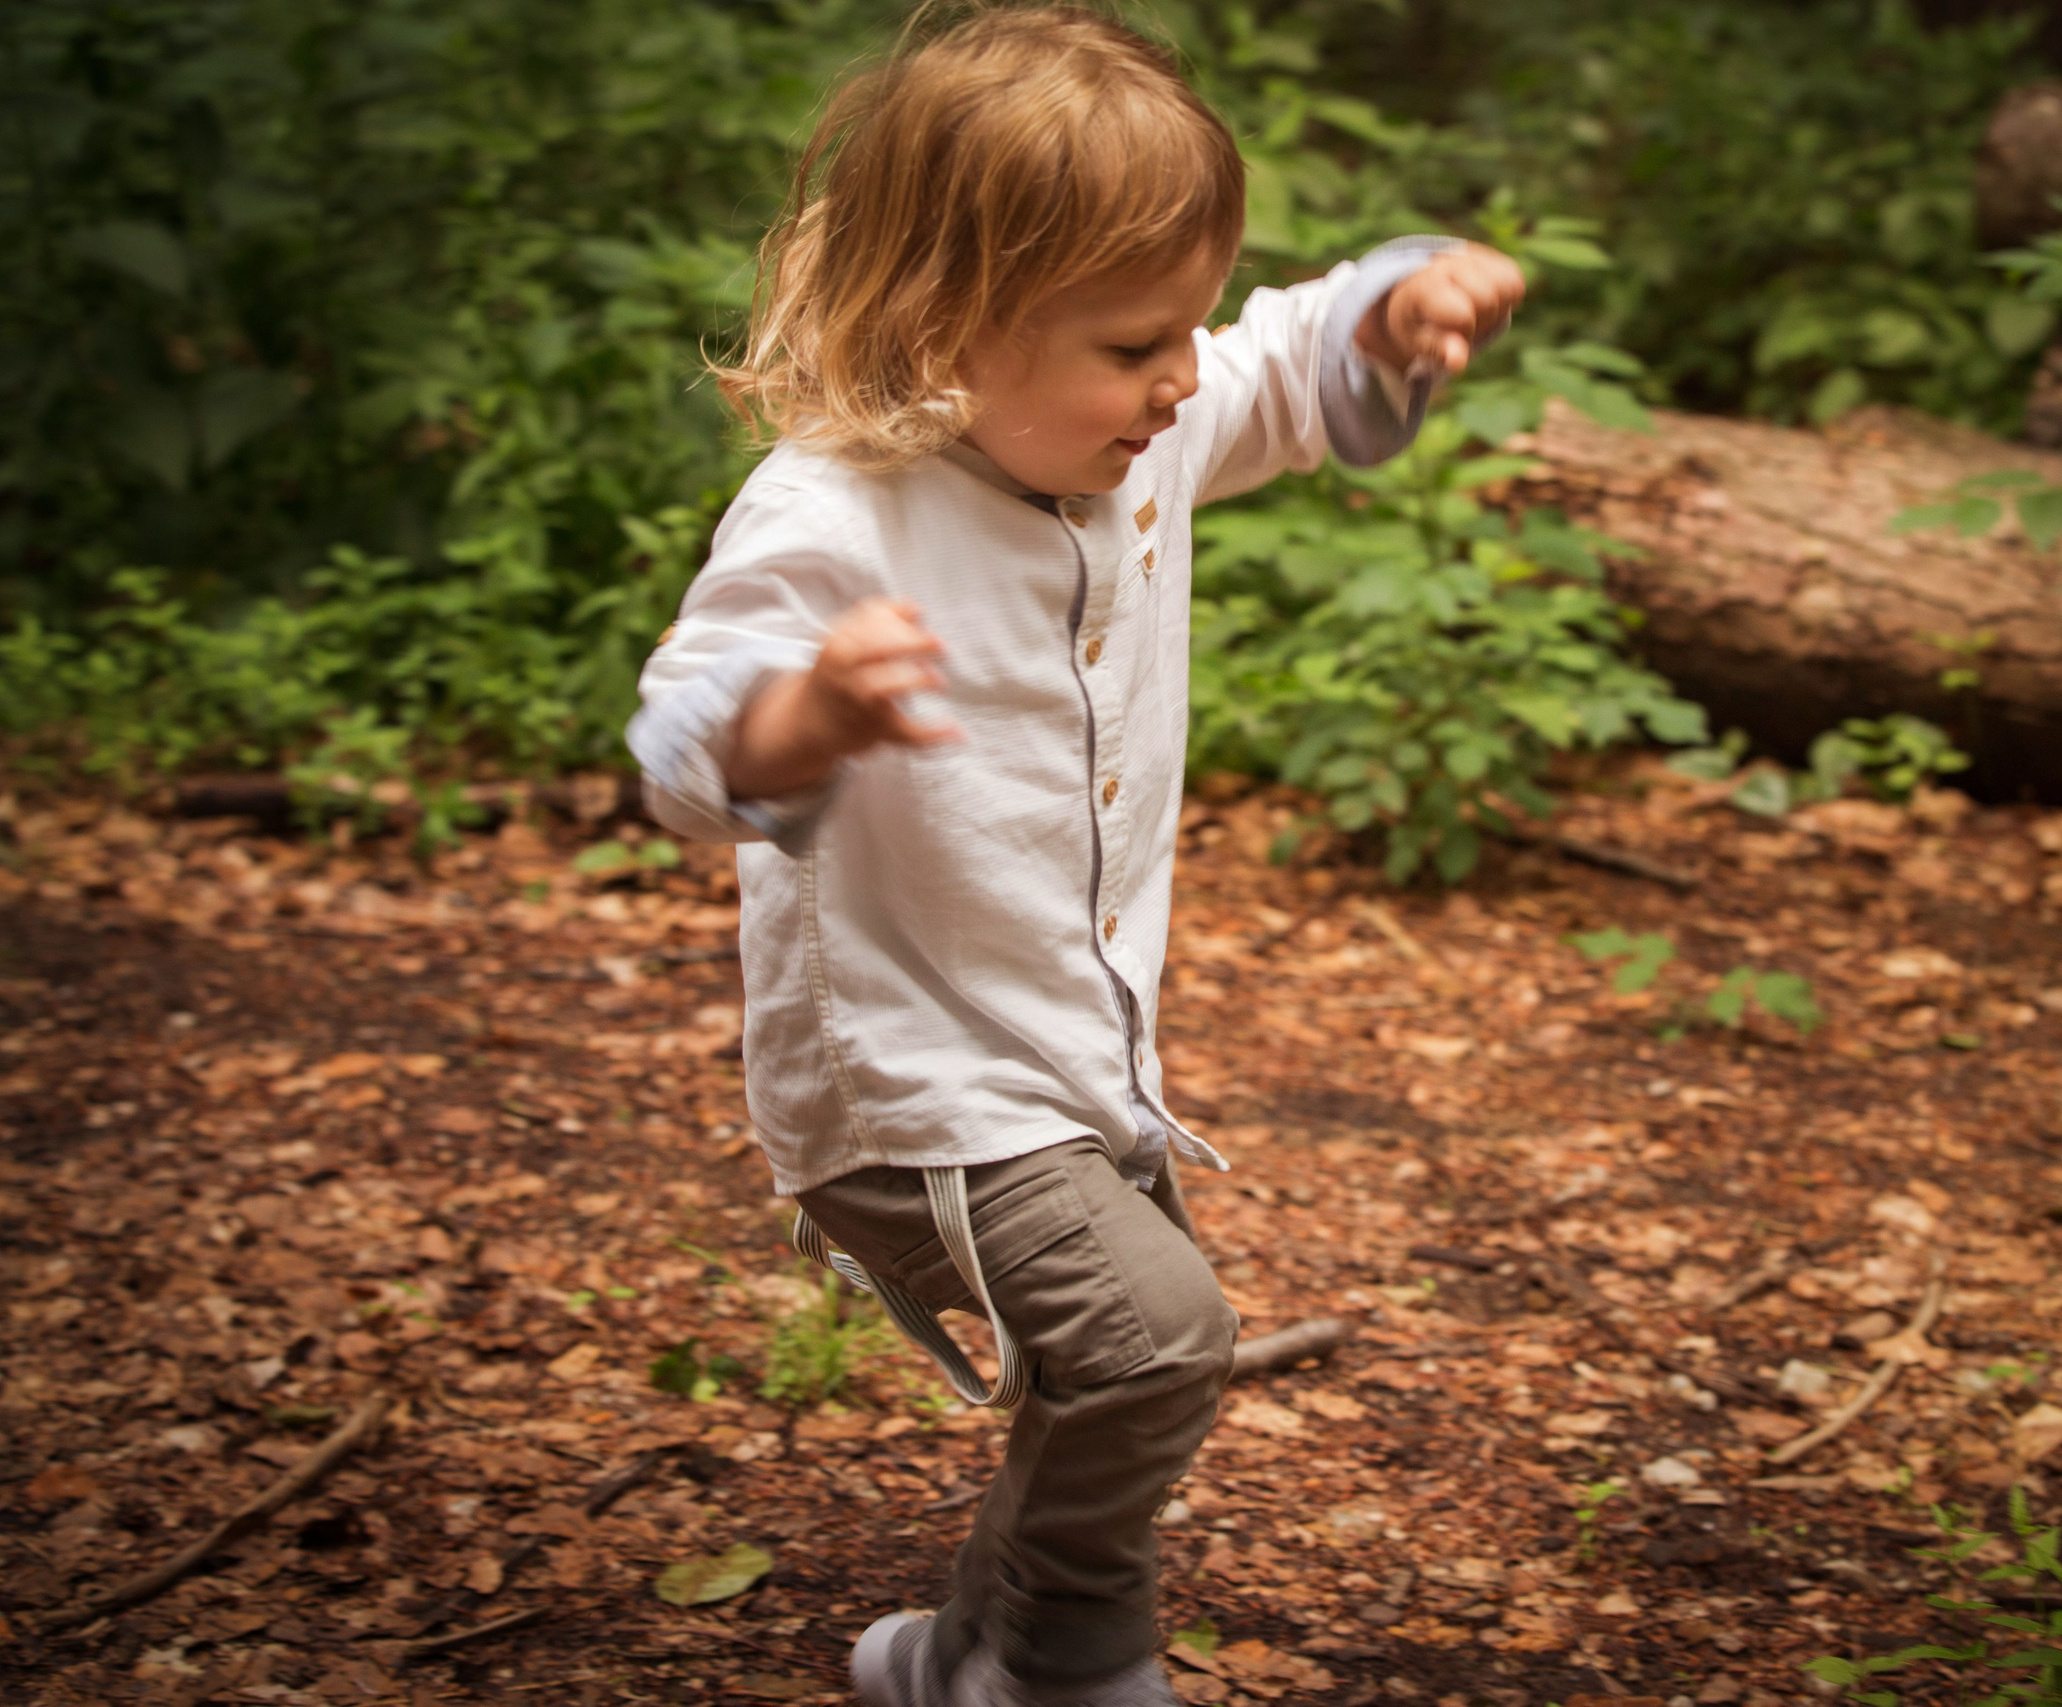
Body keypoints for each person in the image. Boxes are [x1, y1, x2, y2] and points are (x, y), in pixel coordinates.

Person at [627, 8, 1522, 1704]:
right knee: (1152, 1342)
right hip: (909, 1088)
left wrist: (1392, 306)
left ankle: (959, 1659)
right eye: (1134, 343)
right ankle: (1070, 1671)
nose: (1180, 379)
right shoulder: (833, 517)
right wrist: (793, 725)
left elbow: (1279, 357)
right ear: (941, 332)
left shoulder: (1132, 426)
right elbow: (686, 737)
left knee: (1098, 1374)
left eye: (1178, 330)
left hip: (1068, 1057)